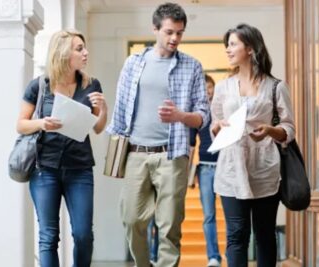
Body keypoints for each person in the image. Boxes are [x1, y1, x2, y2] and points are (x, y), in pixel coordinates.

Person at [106, 3, 209, 267]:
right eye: (169, 32)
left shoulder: (192, 66)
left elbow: (202, 114)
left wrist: (181, 117)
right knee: (131, 218)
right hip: (135, 154)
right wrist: (114, 150)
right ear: (155, 29)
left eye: (179, 33)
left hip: (172, 155)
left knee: (170, 226)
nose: (174, 38)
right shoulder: (134, 63)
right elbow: (120, 108)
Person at [16, 29, 107, 267]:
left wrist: (103, 110)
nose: (85, 52)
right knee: (48, 237)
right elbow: (21, 125)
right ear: (63, 53)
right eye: (79, 49)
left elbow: (97, 128)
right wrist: (42, 123)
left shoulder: (91, 84)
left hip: (80, 169)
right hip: (44, 169)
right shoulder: (39, 86)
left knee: (83, 235)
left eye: (84, 48)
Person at [210, 23, 295, 267]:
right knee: (236, 235)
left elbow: (289, 128)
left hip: (264, 168)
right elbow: (215, 124)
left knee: (264, 235)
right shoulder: (223, 87)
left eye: (233, 44)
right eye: (227, 45)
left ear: (250, 48)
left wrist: (270, 130)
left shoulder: (275, 86)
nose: (227, 49)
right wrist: (217, 128)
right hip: (231, 167)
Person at [189, 74, 222, 267]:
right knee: (208, 215)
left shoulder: (222, 110)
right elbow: (191, 143)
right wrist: (189, 175)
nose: (208, 91)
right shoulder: (197, 114)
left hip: (224, 167)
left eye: (210, 87)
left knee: (230, 213)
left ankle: (231, 254)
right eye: (204, 88)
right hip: (205, 169)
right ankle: (213, 257)